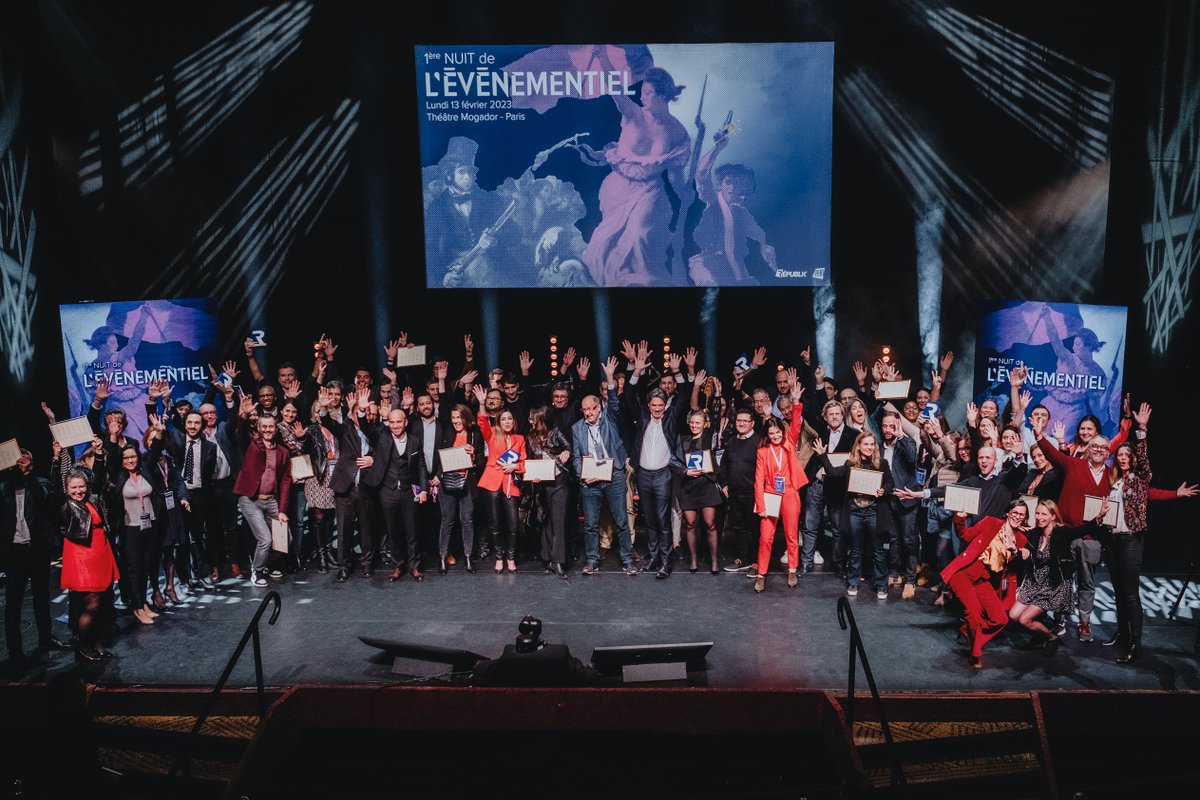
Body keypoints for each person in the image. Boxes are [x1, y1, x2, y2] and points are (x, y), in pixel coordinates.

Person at [1099, 403, 1199, 663]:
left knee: (1130, 592)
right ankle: (1122, 633)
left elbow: (1144, 464)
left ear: (1132, 458)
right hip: (1112, 539)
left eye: (1125, 455)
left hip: (1130, 540)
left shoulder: (1140, 477)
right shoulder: (1113, 481)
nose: (1121, 458)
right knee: (1119, 591)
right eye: (1119, 455)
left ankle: (1136, 643)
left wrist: (1141, 430)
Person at [580, 56, 692, 287]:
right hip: (618, 187)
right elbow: (614, 86)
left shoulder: (677, 132)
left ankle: (640, 284)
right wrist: (603, 58)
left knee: (641, 233)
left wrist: (683, 192)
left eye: (648, 93)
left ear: (663, 95)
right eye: (642, 91)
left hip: (649, 189)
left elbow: (674, 174)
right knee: (603, 243)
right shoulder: (633, 113)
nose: (641, 96)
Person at [623, 342, 688, 578]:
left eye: (661, 405)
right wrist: (636, 372)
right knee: (649, 520)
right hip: (643, 474)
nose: (658, 408)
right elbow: (629, 395)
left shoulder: (671, 417)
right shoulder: (642, 415)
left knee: (663, 520)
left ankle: (665, 561)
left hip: (663, 474)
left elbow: (686, 396)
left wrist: (679, 373)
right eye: (654, 405)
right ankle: (653, 559)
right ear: (649, 405)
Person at [2, 448, 71, 672]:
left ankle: (45, 639)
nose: (21, 464)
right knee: (13, 603)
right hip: (15, 551)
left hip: (37, 549)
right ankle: (15, 652)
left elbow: (49, 500)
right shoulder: (4, 488)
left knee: (41, 597)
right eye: (18, 461)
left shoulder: (40, 483)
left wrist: (29, 476)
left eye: (26, 461)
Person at [941, 502, 1030, 669]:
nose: (1017, 516)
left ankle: (969, 632)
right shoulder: (991, 522)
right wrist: (960, 519)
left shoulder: (1021, 539)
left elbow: (1018, 565)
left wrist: (1018, 551)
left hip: (984, 580)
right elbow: (966, 535)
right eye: (1015, 512)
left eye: (1021, 514)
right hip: (964, 573)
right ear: (1007, 513)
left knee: (1000, 619)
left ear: (1025, 518)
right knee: (973, 614)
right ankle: (975, 654)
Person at [572, 357, 639, 576]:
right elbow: (575, 457)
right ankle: (591, 560)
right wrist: (583, 475)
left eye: (591, 409)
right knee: (590, 524)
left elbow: (615, 400)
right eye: (584, 410)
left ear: (599, 408)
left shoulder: (609, 418)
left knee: (621, 520)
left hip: (614, 473)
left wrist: (611, 377)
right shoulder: (577, 429)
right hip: (590, 478)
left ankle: (627, 560)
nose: (588, 413)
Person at [813, 430, 895, 599]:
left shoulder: (882, 463)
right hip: (856, 512)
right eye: (865, 444)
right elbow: (834, 473)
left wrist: (883, 490)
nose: (869, 447)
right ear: (858, 446)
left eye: (872, 444)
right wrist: (822, 456)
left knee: (878, 550)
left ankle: (881, 585)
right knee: (856, 549)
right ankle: (853, 582)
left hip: (874, 512)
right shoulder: (851, 464)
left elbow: (890, 482)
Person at [750, 372, 806, 593]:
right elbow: (758, 480)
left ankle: (792, 568)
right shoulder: (763, 452)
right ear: (767, 433)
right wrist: (761, 505)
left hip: (790, 492)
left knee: (792, 535)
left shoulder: (789, 442)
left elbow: (796, 424)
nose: (775, 436)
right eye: (771, 433)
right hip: (770, 494)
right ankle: (761, 573)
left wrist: (795, 401)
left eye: (777, 432)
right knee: (766, 537)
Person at [108, 424, 168, 626]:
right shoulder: (119, 476)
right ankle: (137, 607)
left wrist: (159, 432)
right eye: (126, 458)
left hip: (149, 526)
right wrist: (114, 437)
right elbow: (112, 459)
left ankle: (143, 604)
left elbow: (156, 450)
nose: (130, 460)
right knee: (134, 570)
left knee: (146, 567)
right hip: (130, 528)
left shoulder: (145, 472)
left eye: (133, 457)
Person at [1008, 499, 1086, 650]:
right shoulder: (1034, 534)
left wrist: (1099, 517)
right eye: (1037, 513)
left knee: (1024, 620)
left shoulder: (1061, 533)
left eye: (1044, 514)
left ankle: (1052, 637)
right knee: (1013, 615)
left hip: (1053, 585)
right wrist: (1018, 551)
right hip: (1034, 582)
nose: (1039, 517)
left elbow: (1081, 530)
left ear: (1053, 516)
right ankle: (1040, 634)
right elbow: (1023, 553)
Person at [232, 393, 292, 588]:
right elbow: (240, 434)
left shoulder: (283, 452)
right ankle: (256, 571)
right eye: (264, 426)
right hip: (250, 499)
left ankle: (268, 565)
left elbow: (285, 481)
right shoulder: (251, 445)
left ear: (276, 429)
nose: (267, 430)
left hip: (271, 500)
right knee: (265, 539)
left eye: (271, 427)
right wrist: (243, 416)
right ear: (259, 428)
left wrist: (282, 510)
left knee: (285, 538)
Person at [362, 407, 429, 582]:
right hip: (388, 491)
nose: (395, 425)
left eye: (399, 422)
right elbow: (367, 428)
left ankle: (415, 566)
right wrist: (362, 411)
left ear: (406, 422)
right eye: (392, 422)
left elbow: (421, 466)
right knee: (393, 531)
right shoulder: (383, 438)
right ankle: (399, 565)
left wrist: (423, 490)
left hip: (409, 491)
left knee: (412, 530)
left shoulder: (414, 441)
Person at [60, 470, 121, 662]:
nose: (78, 491)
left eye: (81, 486)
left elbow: (102, 480)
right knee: (92, 604)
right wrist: (55, 460)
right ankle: (83, 644)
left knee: (101, 603)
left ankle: (94, 640)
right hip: (82, 555)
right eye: (73, 487)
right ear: (66, 489)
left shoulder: (92, 499)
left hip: (99, 552)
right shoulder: (66, 507)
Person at [474, 389, 527, 573]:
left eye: (509, 419)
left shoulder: (519, 439)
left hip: (510, 484)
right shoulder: (491, 436)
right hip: (492, 483)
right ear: (499, 421)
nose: (506, 422)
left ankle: (511, 557)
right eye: (503, 419)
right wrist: (481, 403)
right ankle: (499, 557)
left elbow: (524, 462)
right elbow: (482, 422)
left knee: (513, 524)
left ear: (514, 422)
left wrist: (516, 467)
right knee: (495, 524)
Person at [430, 404, 486, 574]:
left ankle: (468, 557)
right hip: (447, 481)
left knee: (467, 520)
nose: (455, 421)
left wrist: (474, 454)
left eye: (458, 417)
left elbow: (482, 462)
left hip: (467, 482)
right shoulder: (447, 432)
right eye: (453, 417)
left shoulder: (475, 434)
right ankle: (442, 557)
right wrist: (437, 475)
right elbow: (439, 456)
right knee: (447, 521)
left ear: (466, 417)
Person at [674, 405, 723, 574]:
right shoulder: (683, 440)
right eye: (692, 422)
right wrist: (685, 471)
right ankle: (693, 559)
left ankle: (714, 560)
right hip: (688, 486)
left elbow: (716, 419)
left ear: (705, 424)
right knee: (690, 524)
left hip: (706, 485)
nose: (694, 425)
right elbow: (674, 462)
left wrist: (716, 396)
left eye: (698, 423)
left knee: (710, 524)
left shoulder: (710, 437)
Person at [525, 405, 573, 578]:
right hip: (541, 483)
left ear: (541, 419)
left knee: (559, 522)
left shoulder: (555, 432)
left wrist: (566, 452)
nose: (529, 421)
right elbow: (530, 460)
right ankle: (549, 559)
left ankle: (559, 561)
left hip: (559, 482)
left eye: (532, 418)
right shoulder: (530, 437)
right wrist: (533, 476)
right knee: (546, 521)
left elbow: (568, 446)